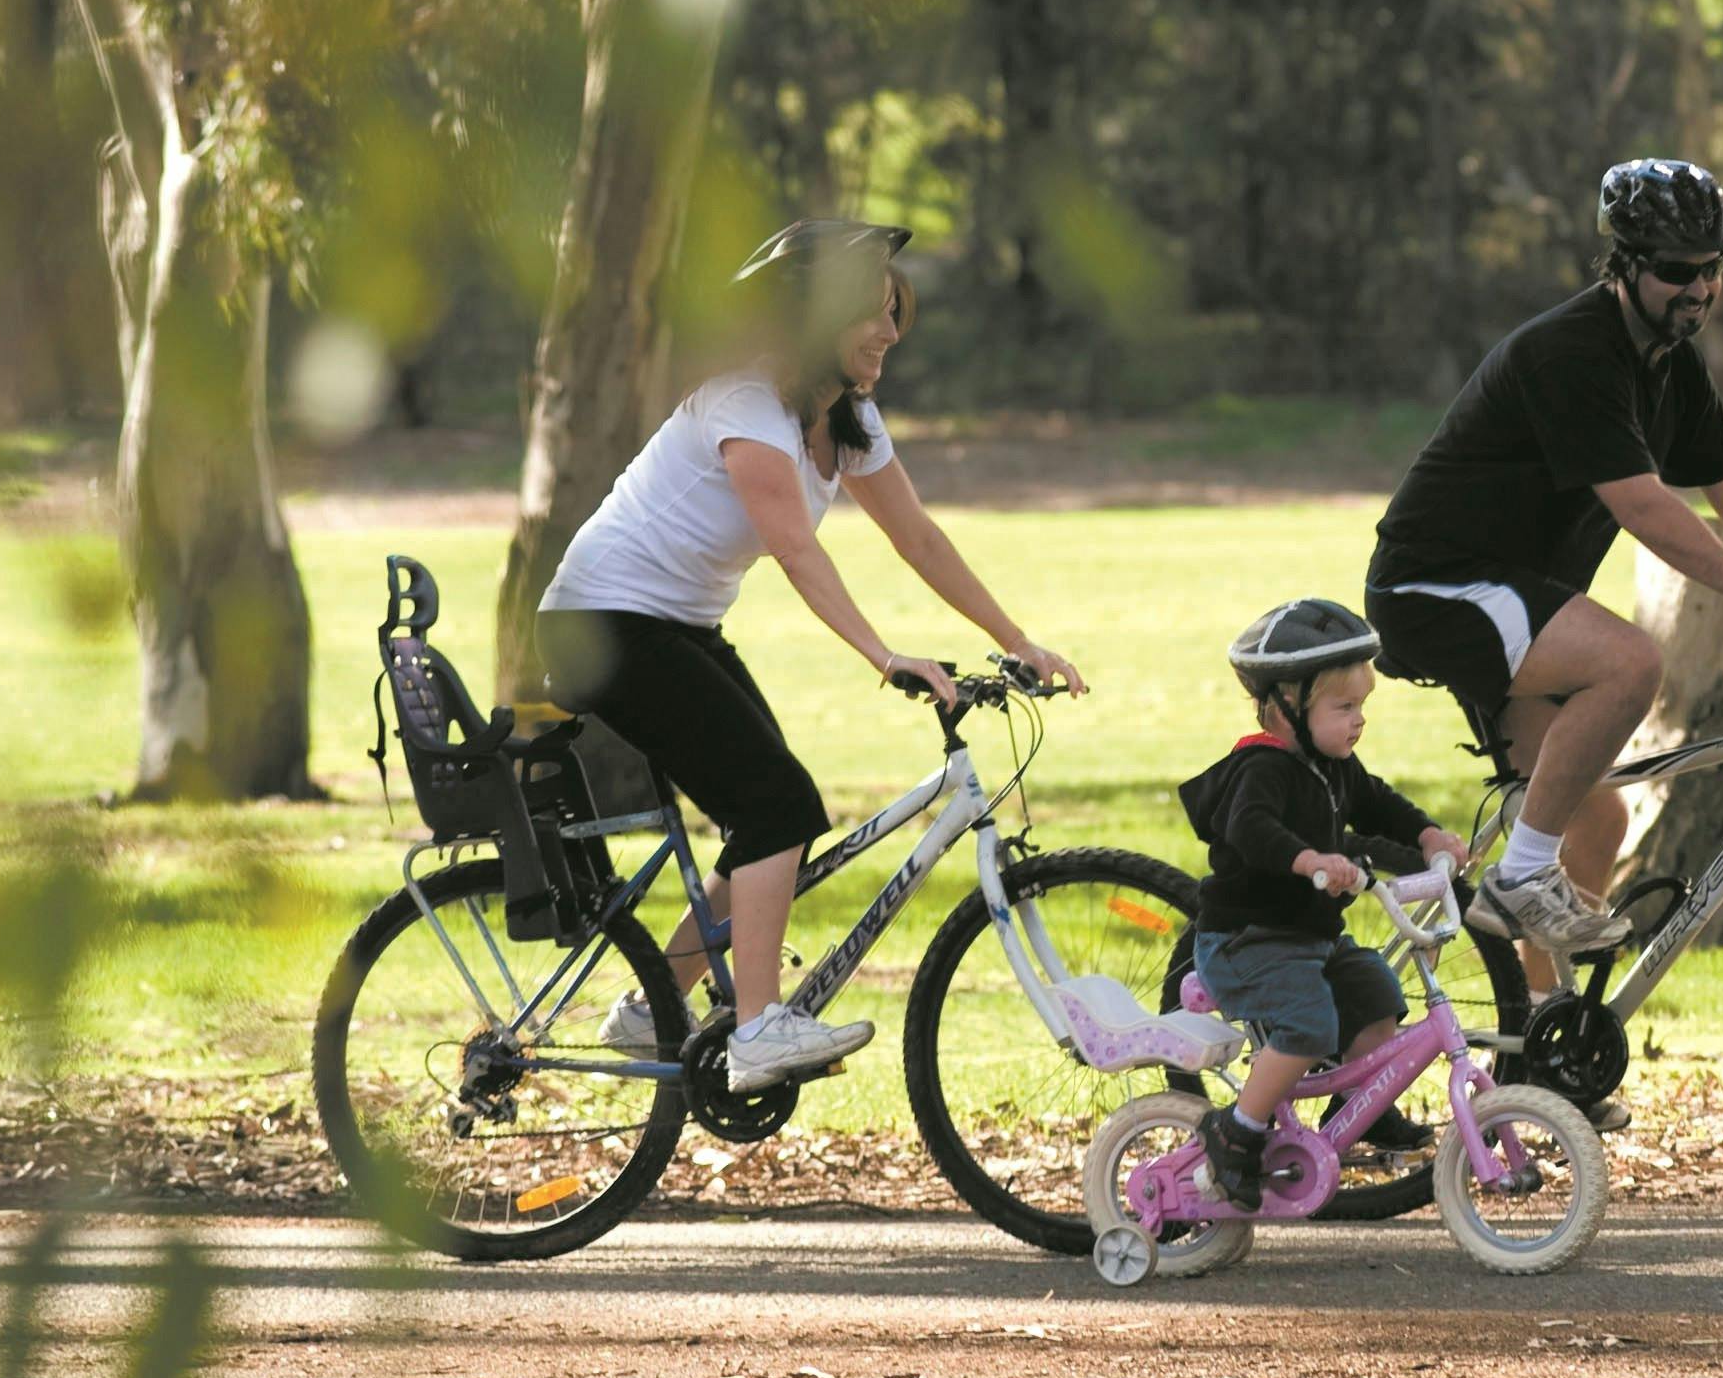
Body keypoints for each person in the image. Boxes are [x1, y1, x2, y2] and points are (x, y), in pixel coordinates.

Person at [536, 220, 1084, 1094]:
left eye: (893, 312)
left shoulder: (847, 418)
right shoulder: (745, 401)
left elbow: (920, 539)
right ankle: (757, 1030)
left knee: (781, 813)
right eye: (870, 314)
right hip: (604, 626)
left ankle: (651, 1007)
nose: (889, 332)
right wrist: (882, 652)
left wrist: (1017, 642)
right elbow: (795, 548)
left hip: (673, 625)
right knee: (774, 805)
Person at [1364, 158, 1723, 963]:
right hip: (1438, 585)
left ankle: (1537, 1053)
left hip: (1512, 597)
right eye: (1679, 271)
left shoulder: (1669, 365)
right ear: (1624, 264)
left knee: (1598, 820)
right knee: (1627, 663)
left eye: (1713, 268)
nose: (1700, 288)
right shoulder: (1574, 353)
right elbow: (1643, 505)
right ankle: (1517, 879)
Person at [1175, 601, 1469, 1212]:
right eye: (1345, 708)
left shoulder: (1332, 764)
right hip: (1246, 943)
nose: (1359, 721)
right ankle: (1238, 1131)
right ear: (1287, 706)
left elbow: (1379, 804)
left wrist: (1428, 837)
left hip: (1308, 942)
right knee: (1310, 1027)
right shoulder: (1260, 768)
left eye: (1363, 707)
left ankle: (1360, 1110)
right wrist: (1309, 859)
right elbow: (1252, 829)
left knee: (1378, 998)